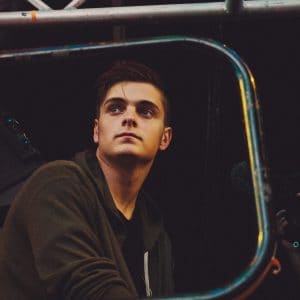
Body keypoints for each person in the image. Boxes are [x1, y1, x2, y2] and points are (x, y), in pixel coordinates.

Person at [0, 61, 174, 299]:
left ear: (165, 138)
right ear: (96, 131)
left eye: (145, 111)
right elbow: (89, 288)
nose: (129, 118)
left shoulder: (154, 229)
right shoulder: (57, 184)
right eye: (115, 109)